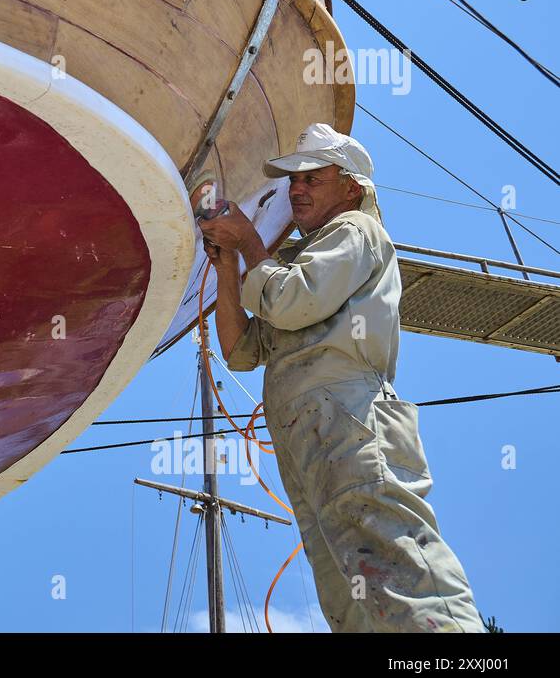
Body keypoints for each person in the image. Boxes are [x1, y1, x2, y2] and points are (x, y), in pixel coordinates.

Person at [197, 123, 485, 632]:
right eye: (293, 181)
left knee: (395, 564)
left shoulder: (357, 231)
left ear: (351, 187)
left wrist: (245, 239)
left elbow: (289, 302)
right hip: (313, 436)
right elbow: (242, 352)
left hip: (350, 419)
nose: (297, 189)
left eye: (313, 177)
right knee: (349, 591)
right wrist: (227, 267)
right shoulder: (295, 262)